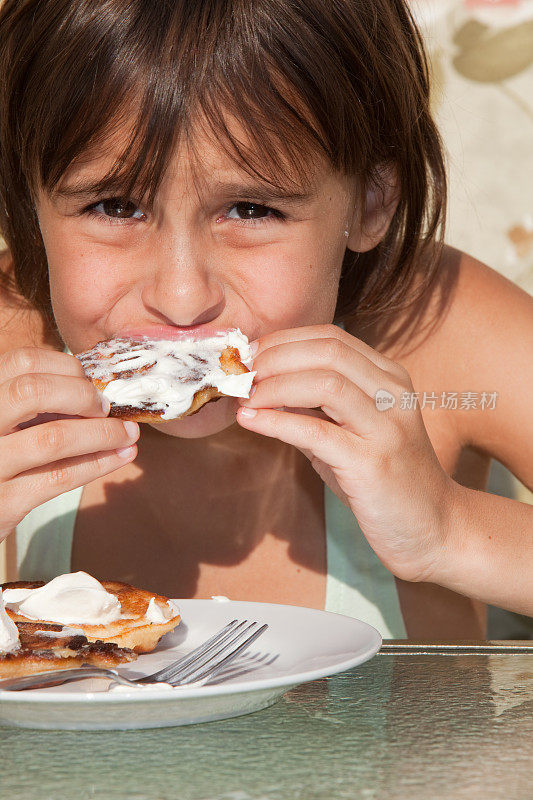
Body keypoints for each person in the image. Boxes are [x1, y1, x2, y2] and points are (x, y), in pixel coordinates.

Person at [0, 0, 531, 639]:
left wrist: (451, 528)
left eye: (251, 210)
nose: (181, 296)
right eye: (115, 206)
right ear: (29, 203)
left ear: (369, 202)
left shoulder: (437, 328)